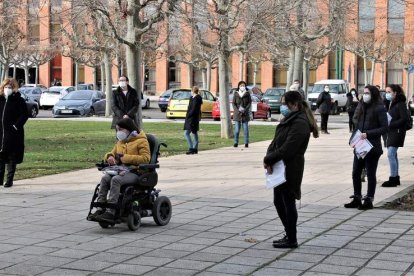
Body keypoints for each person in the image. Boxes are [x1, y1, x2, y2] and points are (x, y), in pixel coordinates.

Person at [264, 91, 319, 248]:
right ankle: (288, 233)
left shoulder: (300, 122)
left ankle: (292, 238)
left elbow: (289, 148)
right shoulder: (290, 119)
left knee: (287, 202)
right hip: (281, 165)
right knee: (279, 201)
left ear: (294, 104)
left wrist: (269, 158)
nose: (282, 106)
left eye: (284, 103)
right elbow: (277, 142)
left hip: (290, 167)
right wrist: (269, 157)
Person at [91, 118, 151, 223]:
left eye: (120, 129)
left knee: (116, 180)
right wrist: (109, 157)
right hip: (121, 170)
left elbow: (145, 159)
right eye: (117, 129)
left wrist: (125, 158)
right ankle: (100, 208)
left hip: (135, 172)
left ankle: (111, 211)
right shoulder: (120, 142)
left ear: (128, 129)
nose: (118, 132)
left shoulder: (141, 141)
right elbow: (112, 153)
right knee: (105, 178)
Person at [344, 85, 388, 210]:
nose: (365, 95)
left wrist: (368, 134)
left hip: (372, 147)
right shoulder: (361, 106)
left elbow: (384, 128)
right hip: (360, 145)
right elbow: (357, 124)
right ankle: (357, 197)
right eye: (364, 92)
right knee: (356, 172)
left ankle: (369, 199)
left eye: (367, 93)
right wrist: (353, 139)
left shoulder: (379, 108)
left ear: (373, 94)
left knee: (370, 173)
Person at [0, 78, 29, 188]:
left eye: (10, 87)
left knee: (12, 157)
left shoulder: (19, 100)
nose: (8, 89)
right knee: (1, 158)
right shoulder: (0, 99)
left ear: (14, 88)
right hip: (1, 133)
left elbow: (24, 115)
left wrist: (15, 126)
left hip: (13, 134)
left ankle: (9, 180)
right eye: (6, 87)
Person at [382, 84, 408, 187]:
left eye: (389, 92)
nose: (387, 94)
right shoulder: (391, 103)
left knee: (390, 154)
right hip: (392, 132)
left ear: (395, 93)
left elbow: (404, 119)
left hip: (397, 132)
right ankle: (396, 177)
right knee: (393, 155)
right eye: (386, 92)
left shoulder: (400, 103)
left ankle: (393, 178)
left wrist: (391, 124)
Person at [184, 86, 203, 155]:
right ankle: (195, 148)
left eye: (191, 91)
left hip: (192, 119)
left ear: (193, 91)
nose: (190, 92)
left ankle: (191, 148)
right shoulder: (192, 98)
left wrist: (189, 115)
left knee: (186, 133)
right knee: (194, 133)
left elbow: (194, 109)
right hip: (191, 118)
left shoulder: (196, 99)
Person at [232, 81, 252, 148]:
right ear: (239, 86)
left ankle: (246, 143)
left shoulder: (247, 93)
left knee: (246, 130)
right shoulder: (236, 93)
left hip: (245, 114)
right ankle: (236, 142)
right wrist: (237, 110)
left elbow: (249, 102)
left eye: (243, 85)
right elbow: (233, 103)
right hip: (237, 114)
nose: (242, 86)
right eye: (241, 85)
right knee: (237, 130)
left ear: (245, 86)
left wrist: (245, 110)